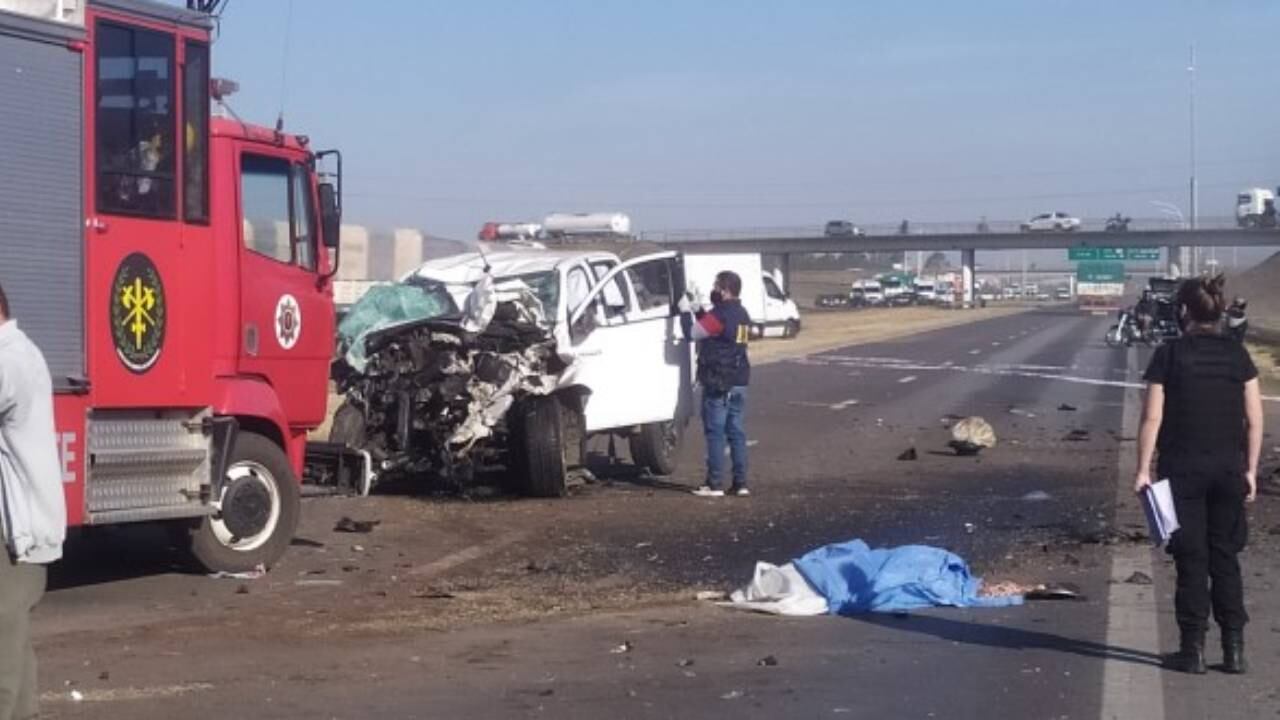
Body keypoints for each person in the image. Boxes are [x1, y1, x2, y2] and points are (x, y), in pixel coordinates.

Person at [1134, 275, 1263, 675]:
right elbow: (1254, 420)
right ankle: (1234, 650)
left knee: (1191, 560)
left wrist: (1142, 470)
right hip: (1228, 470)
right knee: (1225, 557)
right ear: (1220, 310)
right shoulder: (1237, 355)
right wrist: (1251, 470)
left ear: (1183, 311)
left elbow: (1152, 418)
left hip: (1181, 471)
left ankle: (1192, 651)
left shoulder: (1169, 355)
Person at [0, 282, 66, 720]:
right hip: (24, 536)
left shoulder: (8, 360)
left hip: (13, 541)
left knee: (4, 667)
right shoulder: (23, 353)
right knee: (16, 661)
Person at [682, 271, 751, 498]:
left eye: (716, 286)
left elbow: (693, 333)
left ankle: (714, 484)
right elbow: (716, 330)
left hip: (718, 381)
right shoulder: (742, 313)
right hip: (740, 379)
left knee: (715, 433)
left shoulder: (720, 314)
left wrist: (685, 312)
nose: (714, 290)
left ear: (724, 289)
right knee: (736, 432)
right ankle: (740, 483)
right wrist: (699, 311)